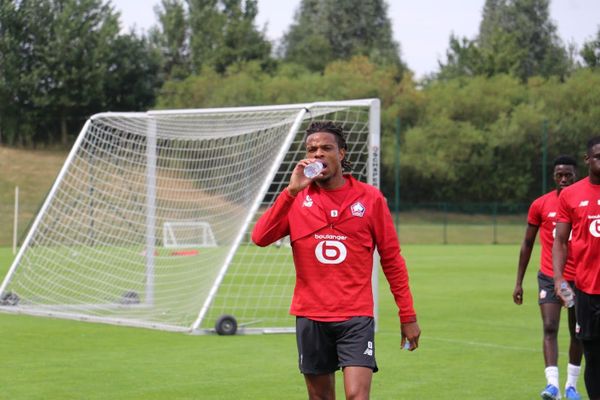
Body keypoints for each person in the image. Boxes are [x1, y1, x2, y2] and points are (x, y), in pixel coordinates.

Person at [252, 121, 421, 400]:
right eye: (311, 149)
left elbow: (392, 259)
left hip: (355, 316)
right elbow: (260, 237)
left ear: (341, 153)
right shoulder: (296, 200)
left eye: (326, 148)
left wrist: (408, 315)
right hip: (311, 316)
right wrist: (290, 192)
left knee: (357, 396)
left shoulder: (370, 199)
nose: (318, 154)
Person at [513, 155, 583, 400]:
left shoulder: (582, 201)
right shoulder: (540, 204)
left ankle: (571, 386)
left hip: (578, 279)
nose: (563, 179)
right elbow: (527, 243)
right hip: (549, 276)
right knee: (550, 326)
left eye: (568, 175)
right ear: (553, 176)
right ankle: (552, 385)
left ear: (576, 174)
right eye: (559, 175)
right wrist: (519, 281)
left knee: (578, 332)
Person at [554, 136, 600, 400]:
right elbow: (560, 240)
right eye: (598, 156)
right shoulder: (571, 195)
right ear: (588, 160)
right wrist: (559, 278)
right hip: (586, 290)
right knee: (592, 356)